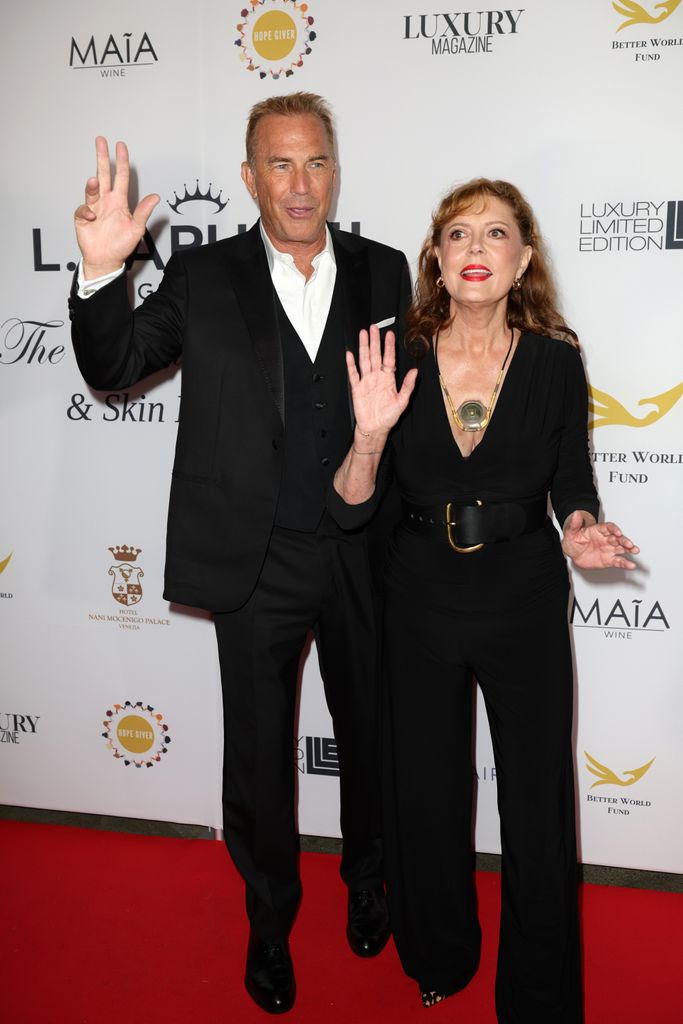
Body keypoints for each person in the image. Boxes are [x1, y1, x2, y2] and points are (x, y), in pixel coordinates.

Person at [69, 92, 411, 1015]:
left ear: (335, 170)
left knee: (372, 733)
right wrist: (103, 277)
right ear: (250, 176)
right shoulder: (204, 275)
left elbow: (407, 420)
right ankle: (269, 922)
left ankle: (370, 880)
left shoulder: (385, 273)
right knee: (257, 764)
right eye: (280, 165)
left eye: (316, 163)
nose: (301, 185)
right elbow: (115, 365)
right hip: (252, 562)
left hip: (361, 550)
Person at [333, 179, 639, 1023]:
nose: (475, 247)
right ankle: (438, 955)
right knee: (425, 795)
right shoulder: (390, 353)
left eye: (495, 233)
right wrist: (365, 438)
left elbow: (572, 487)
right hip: (418, 600)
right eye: (458, 233)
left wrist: (579, 528)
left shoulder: (554, 361)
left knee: (536, 801)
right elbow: (351, 503)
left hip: (523, 599)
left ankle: (537, 995)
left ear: (521, 260)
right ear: (435, 257)